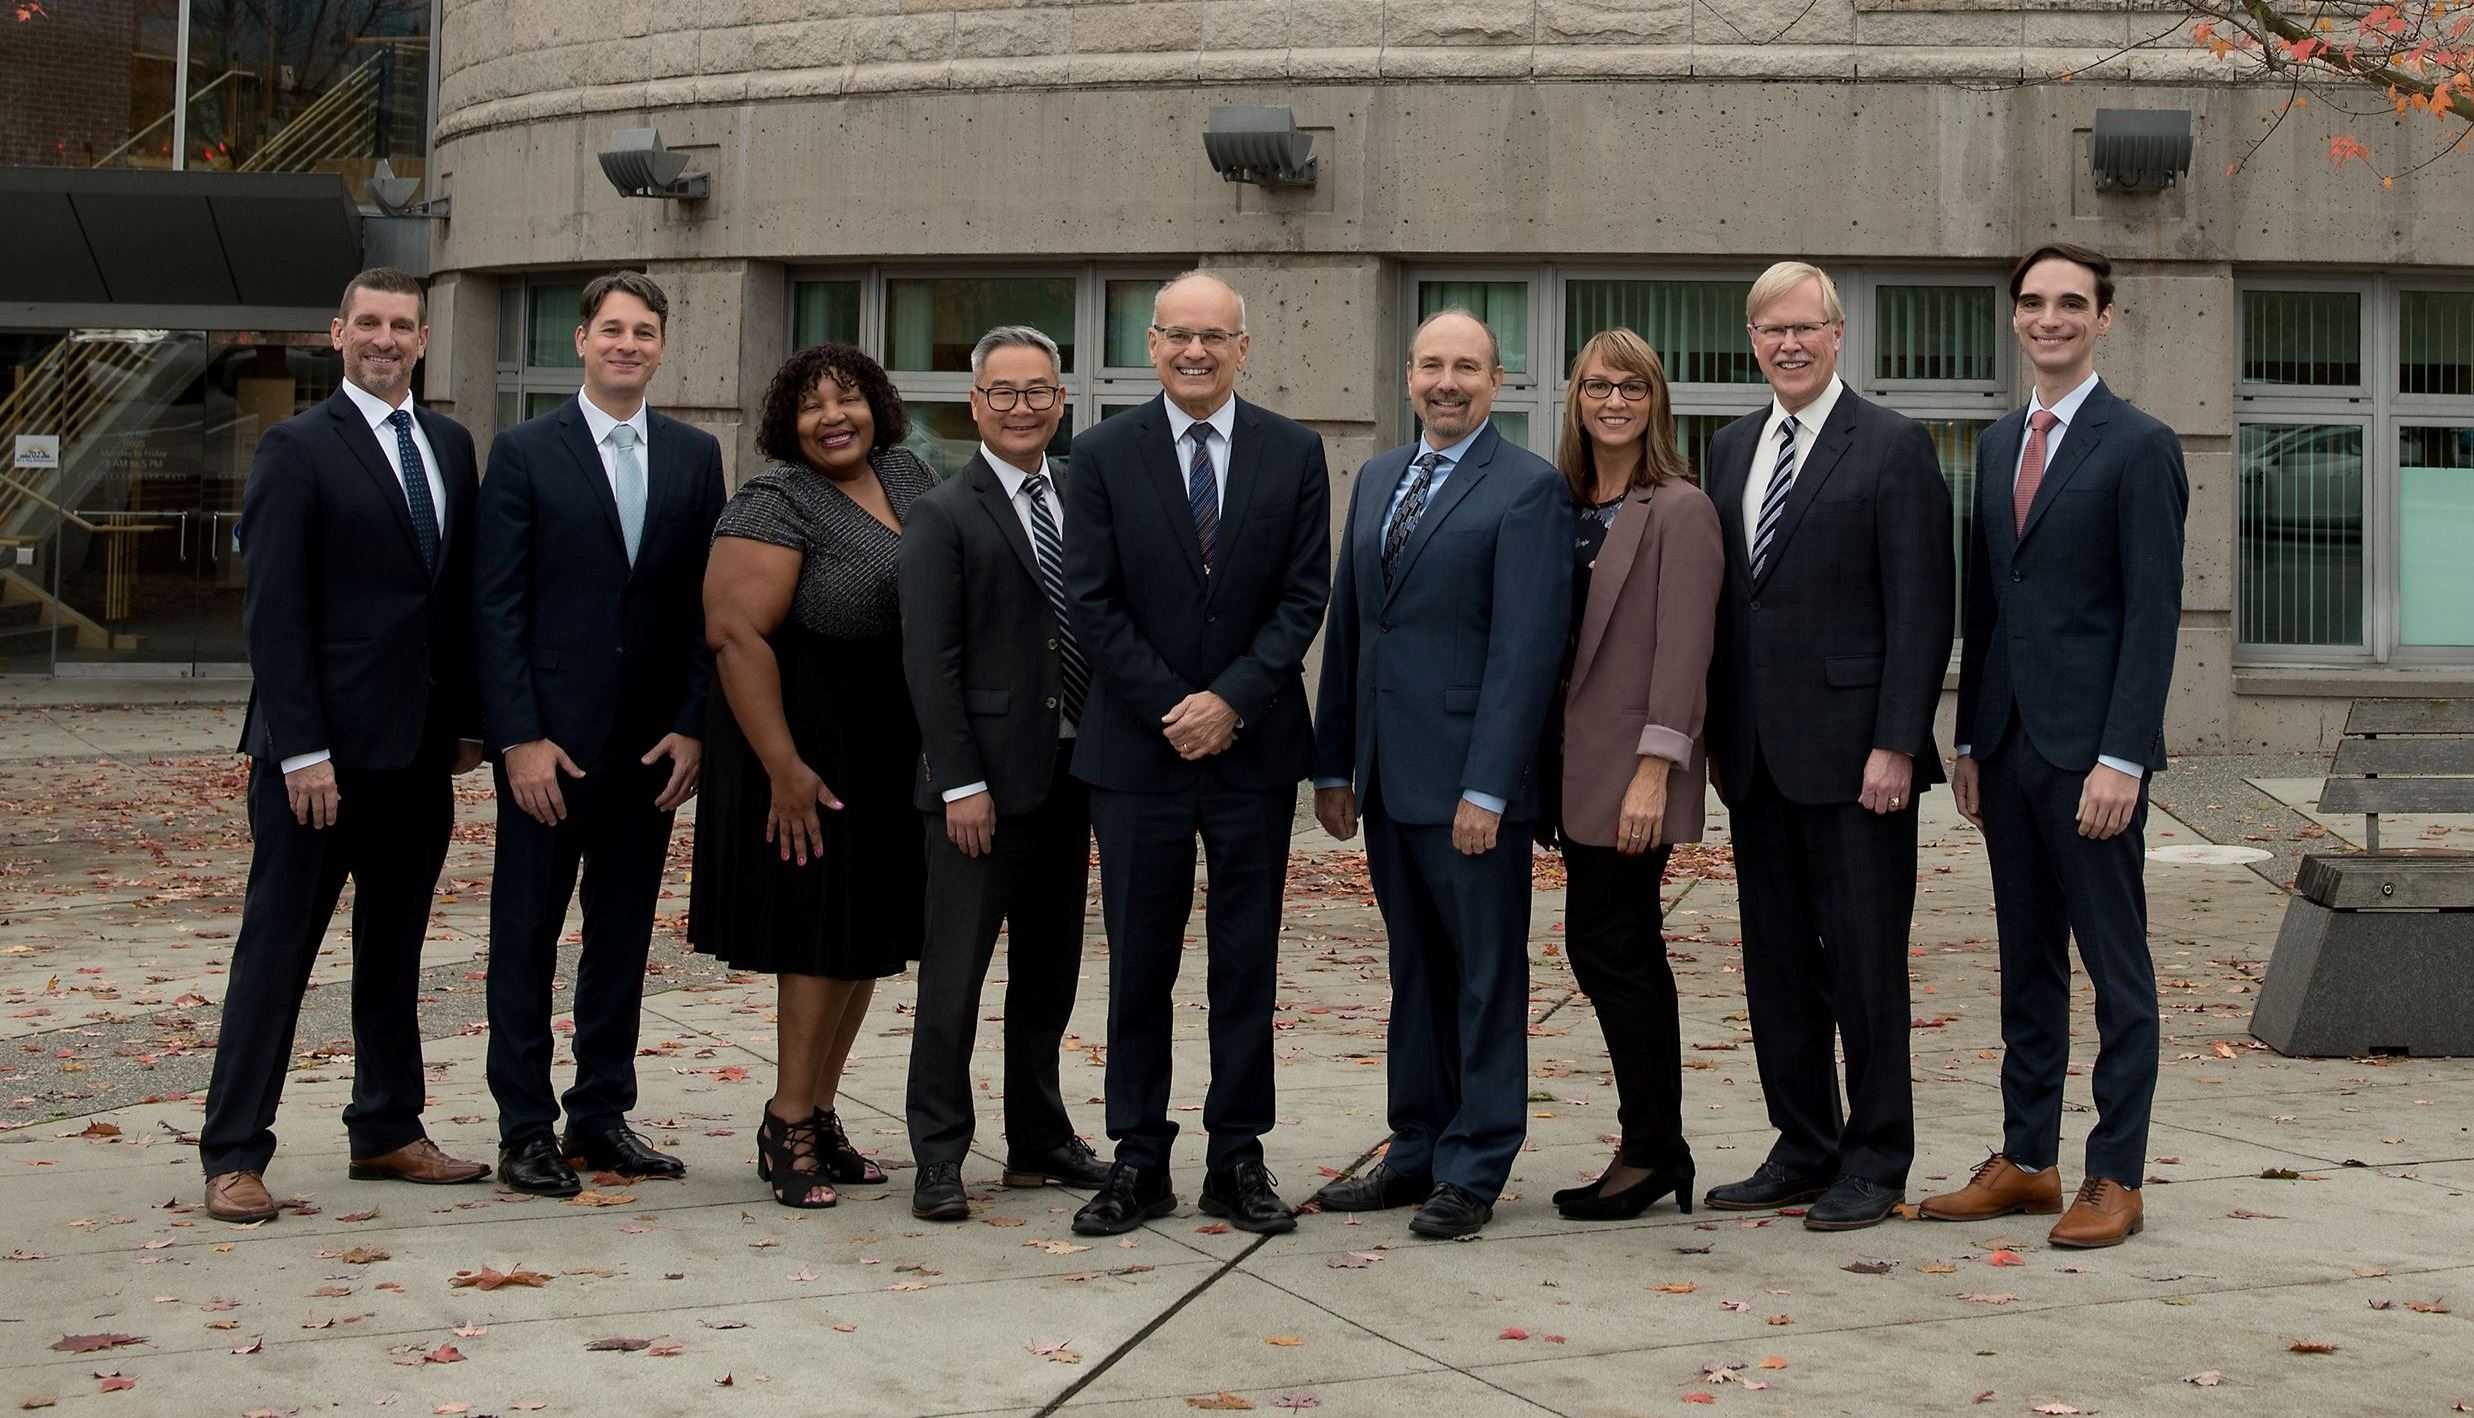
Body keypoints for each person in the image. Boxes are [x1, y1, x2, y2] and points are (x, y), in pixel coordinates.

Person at [200, 266, 493, 1221]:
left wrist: (465, 723)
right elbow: (274, 614)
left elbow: (450, 602)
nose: (385, 337)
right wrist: (300, 748)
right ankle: (235, 1151)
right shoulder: (295, 448)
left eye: (402, 324)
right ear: (338, 334)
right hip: (314, 763)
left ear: (422, 338)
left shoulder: (449, 446)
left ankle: (388, 1129)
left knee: (393, 953)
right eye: (368, 322)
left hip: (415, 757)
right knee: (277, 954)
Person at [1922, 244, 2187, 1249]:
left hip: (2091, 758)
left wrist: (2122, 756)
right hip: (2011, 749)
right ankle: (2026, 1159)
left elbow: (2150, 613)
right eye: (2032, 302)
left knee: (2115, 970)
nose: (2048, 317)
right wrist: (1970, 741)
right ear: (2014, 318)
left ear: (2102, 318)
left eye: (2069, 302)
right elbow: (1983, 604)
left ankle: (2113, 1171)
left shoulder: (2138, 444)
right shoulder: (1995, 445)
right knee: (2022, 964)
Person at [1060, 271, 1331, 1238]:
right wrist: (1178, 705)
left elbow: (1304, 597)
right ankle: (1137, 1158)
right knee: (1139, 962)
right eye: (1179, 335)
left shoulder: (1295, 452)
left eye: (1215, 337)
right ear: (1152, 343)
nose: (1196, 352)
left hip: (1252, 754)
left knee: (1245, 963)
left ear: (1244, 347)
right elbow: (1090, 602)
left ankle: (1237, 1156)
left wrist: (1233, 702)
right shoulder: (1095, 455)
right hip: (1138, 755)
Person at [1699, 261, 1954, 1232]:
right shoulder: (1727, 449)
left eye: (1804, 327)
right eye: (1770, 330)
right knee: (1774, 963)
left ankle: (1875, 1155)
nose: (1788, 344)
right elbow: (1728, 606)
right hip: (1756, 761)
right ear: (1752, 340)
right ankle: (1801, 1143)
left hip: (1858, 766)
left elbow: (1920, 606)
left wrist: (1896, 742)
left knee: (1861, 964)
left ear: (1837, 333)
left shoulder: (1892, 446)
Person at [1307, 309, 1573, 1240]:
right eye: (1430, 365)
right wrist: (1333, 761)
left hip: (1470, 790)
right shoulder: (1380, 476)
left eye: (1466, 367)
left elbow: (1525, 653)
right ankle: (1415, 1149)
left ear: (1498, 381)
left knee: (1484, 976)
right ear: (1408, 376)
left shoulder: (1530, 488)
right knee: (1416, 974)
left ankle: (1476, 1162)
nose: (1446, 382)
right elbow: (1353, 627)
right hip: (1385, 780)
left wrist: (1490, 788)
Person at [474, 272, 726, 1197]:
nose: (627, 344)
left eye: (645, 331)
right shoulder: (524, 452)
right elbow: (494, 609)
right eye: (612, 329)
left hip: (648, 756)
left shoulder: (696, 457)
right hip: (552, 751)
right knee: (527, 939)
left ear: (662, 347)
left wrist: (694, 726)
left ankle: (600, 1116)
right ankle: (524, 1127)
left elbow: (711, 607)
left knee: (619, 940)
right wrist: (518, 739)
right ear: (580, 341)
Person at [692, 344, 934, 1208]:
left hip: (886, 742)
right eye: (811, 407)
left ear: (878, 404)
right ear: (784, 426)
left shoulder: (908, 476)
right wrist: (783, 768)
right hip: (801, 741)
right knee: (818, 935)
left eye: (850, 398)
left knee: (864, 939)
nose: (834, 417)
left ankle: (821, 1112)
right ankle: (787, 1121)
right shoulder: (775, 499)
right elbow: (735, 636)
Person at [898, 325, 1112, 1221]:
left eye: (1038, 392)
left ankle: (1038, 1136)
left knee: (1050, 974)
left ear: (1061, 401)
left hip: (1071, 775)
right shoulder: (944, 512)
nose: (1022, 407)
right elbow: (930, 660)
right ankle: (940, 1153)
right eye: (1003, 393)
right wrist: (960, 783)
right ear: (975, 405)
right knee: (953, 981)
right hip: (976, 791)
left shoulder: (1085, 497)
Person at [1539, 329, 1724, 1222]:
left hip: (1631, 770)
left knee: (1615, 947)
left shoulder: (1678, 507)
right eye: (1597, 386)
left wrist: (1656, 770)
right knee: (1609, 944)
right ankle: (1653, 1142)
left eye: (1632, 388)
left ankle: (1654, 1148)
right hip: (1567, 766)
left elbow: (1687, 650)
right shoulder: (1567, 499)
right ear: (1576, 398)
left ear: (1656, 401)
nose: (1614, 402)